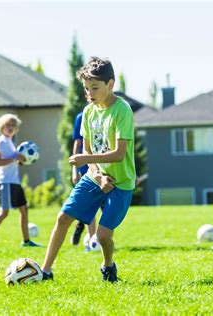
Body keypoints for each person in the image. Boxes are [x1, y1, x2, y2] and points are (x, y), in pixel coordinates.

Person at [41, 57, 136, 282]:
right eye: (86, 89)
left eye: (94, 88)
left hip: (121, 183)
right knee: (63, 217)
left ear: (110, 85)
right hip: (95, 178)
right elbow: (89, 148)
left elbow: (119, 153)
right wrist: (98, 174)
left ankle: (108, 265)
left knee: (103, 235)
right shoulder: (88, 112)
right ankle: (45, 271)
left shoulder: (122, 111)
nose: (89, 93)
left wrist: (86, 159)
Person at [0, 114, 41, 248]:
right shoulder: (1, 142)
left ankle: (26, 242)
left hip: (14, 182)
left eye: (13, 125)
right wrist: (15, 157)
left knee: (24, 210)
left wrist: (20, 160)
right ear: (2, 127)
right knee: (4, 212)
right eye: (8, 125)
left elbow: (12, 160)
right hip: (5, 182)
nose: (10, 128)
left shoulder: (10, 142)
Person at [70, 111, 98, 252]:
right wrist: (74, 170)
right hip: (87, 167)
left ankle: (83, 227)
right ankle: (93, 239)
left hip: (106, 165)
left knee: (105, 207)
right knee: (90, 205)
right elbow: (78, 143)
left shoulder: (111, 114)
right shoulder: (82, 117)